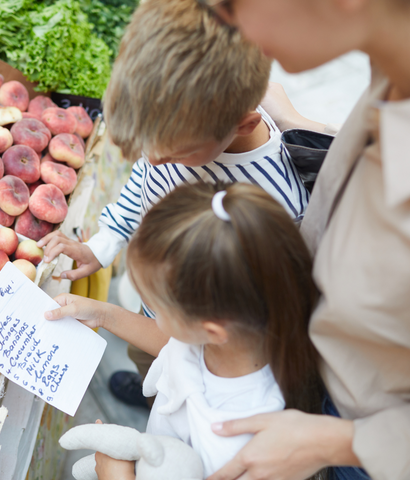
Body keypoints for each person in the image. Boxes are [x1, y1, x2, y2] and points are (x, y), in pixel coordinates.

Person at [38, 0, 308, 407]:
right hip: (157, 312)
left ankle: (157, 399)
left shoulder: (277, 204)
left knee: (167, 392)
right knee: (147, 360)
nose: (154, 158)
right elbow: (145, 182)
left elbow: (223, 337)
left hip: (199, 350)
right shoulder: (177, 131)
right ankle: (147, 378)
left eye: (173, 154)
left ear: (244, 124)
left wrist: (115, 318)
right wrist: (105, 242)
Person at [183, 1, 410, 480]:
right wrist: (301, 128)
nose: (221, 27)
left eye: (228, 6)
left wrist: (342, 443)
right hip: (325, 373)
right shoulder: (392, 70)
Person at [47, 181, 324, 479]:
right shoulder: (237, 336)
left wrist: (117, 476)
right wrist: (103, 314)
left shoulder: (236, 443)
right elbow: (174, 346)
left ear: (211, 330)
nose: (149, 308)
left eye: (156, 305)